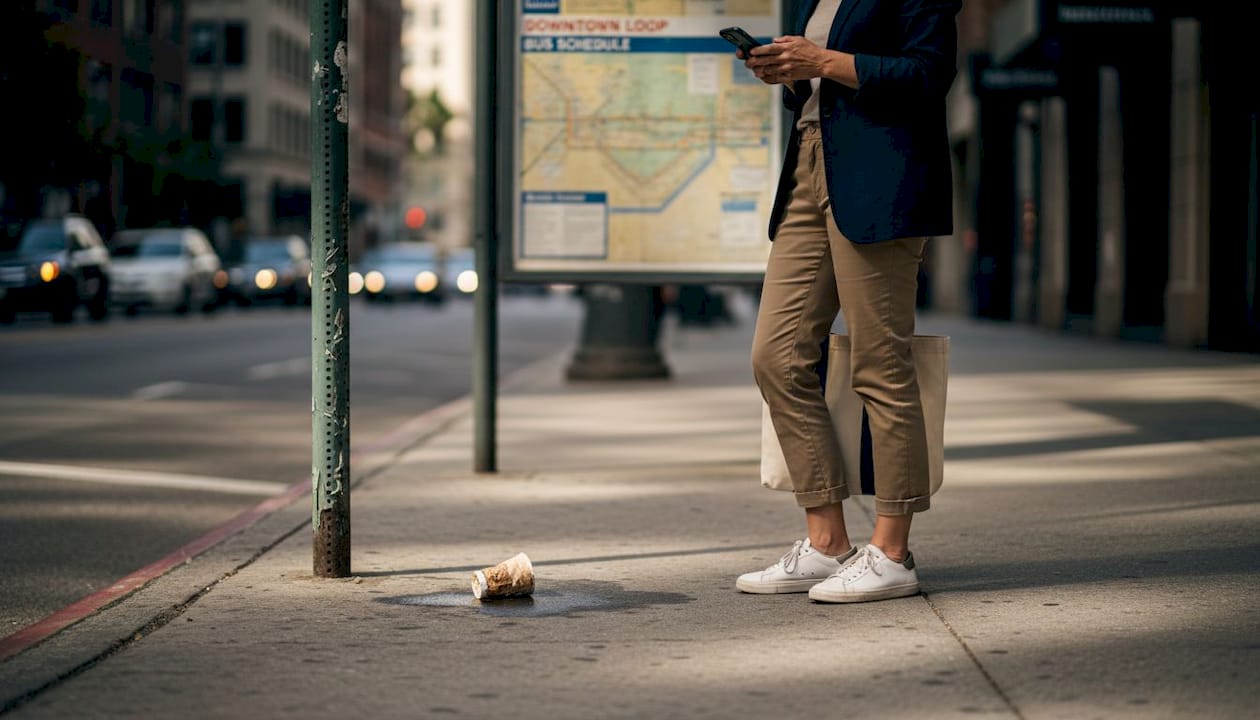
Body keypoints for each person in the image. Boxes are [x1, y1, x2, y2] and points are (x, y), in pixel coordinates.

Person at [733, 0, 961, 603]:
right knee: (776, 358)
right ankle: (827, 541)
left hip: (879, 175)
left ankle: (892, 550)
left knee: (879, 362)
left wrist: (825, 60)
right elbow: (817, 86)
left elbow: (929, 74)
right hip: (810, 164)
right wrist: (789, 72)